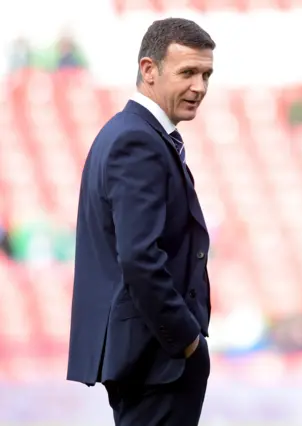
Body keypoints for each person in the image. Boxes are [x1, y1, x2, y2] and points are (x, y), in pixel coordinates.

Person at [67, 18, 215, 426]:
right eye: (187, 72)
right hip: (157, 359)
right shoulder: (138, 141)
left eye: (206, 74)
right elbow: (139, 256)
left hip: (153, 356)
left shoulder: (136, 134)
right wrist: (185, 340)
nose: (200, 86)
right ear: (148, 70)